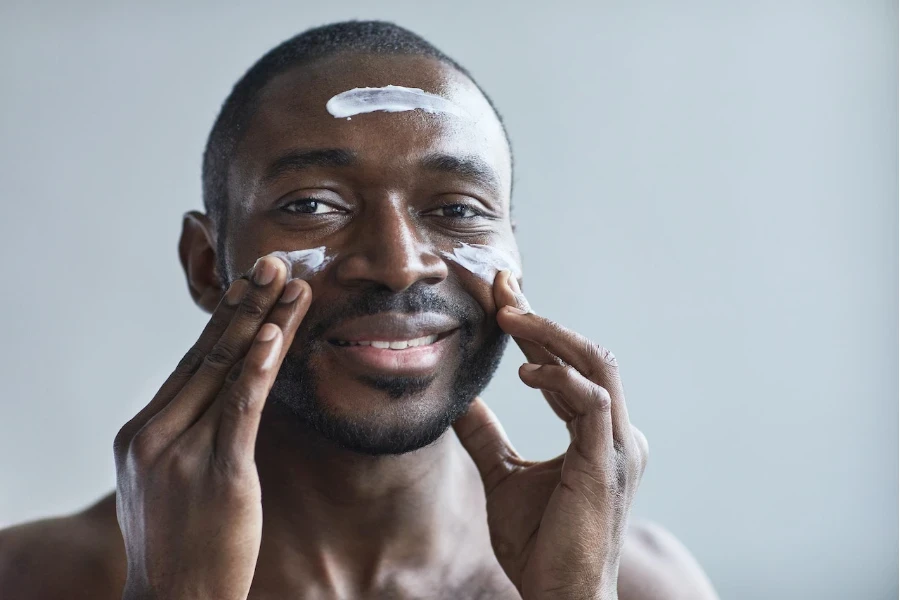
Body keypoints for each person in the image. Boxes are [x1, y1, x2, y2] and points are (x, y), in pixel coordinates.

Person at [0, 21, 719, 600]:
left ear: (513, 259)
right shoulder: (31, 580)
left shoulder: (640, 587)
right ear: (204, 265)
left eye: (457, 210)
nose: (401, 262)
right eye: (313, 205)